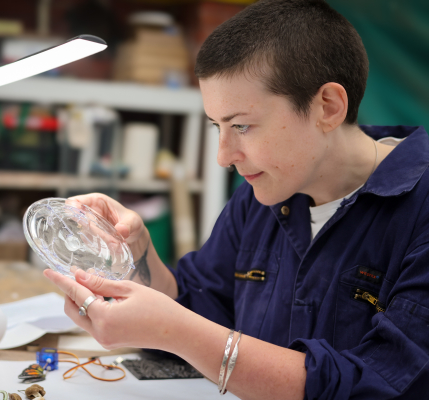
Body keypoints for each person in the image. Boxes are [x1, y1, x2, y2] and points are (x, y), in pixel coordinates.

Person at [44, 0, 429, 398]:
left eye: (242, 126)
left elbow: (379, 384)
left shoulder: (420, 207)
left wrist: (174, 329)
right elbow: (198, 310)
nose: (224, 156)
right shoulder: (262, 198)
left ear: (327, 107)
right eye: (217, 128)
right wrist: (140, 257)